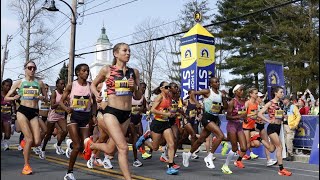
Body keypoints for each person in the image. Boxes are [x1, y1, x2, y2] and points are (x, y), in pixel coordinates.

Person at [89, 42, 142, 180]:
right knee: (123, 148)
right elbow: (93, 85)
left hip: (126, 115)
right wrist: (96, 94)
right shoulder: (107, 70)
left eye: (129, 51)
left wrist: (135, 87)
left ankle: (91, 144)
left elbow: (138, 96)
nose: (128, 53)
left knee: (110, 149)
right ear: (116, 53)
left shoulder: (134, 72)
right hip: (111, 112)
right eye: (125, 50)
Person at [5, 60, 48, 175]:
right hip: (22, 111)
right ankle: (26, 166)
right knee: (30, 139)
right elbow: (6, 97)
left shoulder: (40, 83)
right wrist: (15, 97)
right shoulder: (19, 82)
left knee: (37, 141)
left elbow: (46, 98)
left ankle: (24, 143)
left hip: (34, 112)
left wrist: (42, 97)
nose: (32, 70)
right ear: (25, 69)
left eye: (34, 68)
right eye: (29, 68)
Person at [59, 63, 97, 180]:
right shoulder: (72, 85)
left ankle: (69, 144)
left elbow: (94, 102)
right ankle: (69, 172)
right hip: (74, 116)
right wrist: (66, 109)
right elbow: (61, 101)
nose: (86, 73)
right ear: (78, 73)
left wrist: (94, 115)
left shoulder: (91, 86)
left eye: (87, 70)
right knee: (77, 146)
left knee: (85, 146)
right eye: (84, 71)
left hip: (85, 117)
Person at [182, 77, 228, 169]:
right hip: (206, 117)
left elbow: (225, 107)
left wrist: (224, 98)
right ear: (211, 84)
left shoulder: (220, 94)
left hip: (214, 118)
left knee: (200, 140)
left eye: (218, 82)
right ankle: (209, 157)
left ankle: (188, 154)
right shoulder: (207, 91)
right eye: (216, 82)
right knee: (220, 136)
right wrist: (197, 103)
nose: (218, 83)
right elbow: (192, 93)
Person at [136, 81, 179, 175]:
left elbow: (167, 108)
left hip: (165, 123)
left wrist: (171, 113)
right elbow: (152, 109)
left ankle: (170, 166)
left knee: (171, 144)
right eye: (166, 87)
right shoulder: (159, 97)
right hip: (157, 123)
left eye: (169, 87)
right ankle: (144, 140)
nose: (168, 89)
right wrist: (165, 113)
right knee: (155, 148)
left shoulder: (169, 97)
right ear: (161, 88)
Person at [258, 86, 292, 176]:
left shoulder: (281, 103)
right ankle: (281, 169)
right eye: (281, 92)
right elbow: (259, 113)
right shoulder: (270, 103)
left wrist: (284, 116)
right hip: (272, 127)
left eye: (283, 92)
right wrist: (268, 120)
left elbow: (280, 113)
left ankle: (259, 139)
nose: (282, 94)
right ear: (275, 93)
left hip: (278, 127)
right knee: (279, 147)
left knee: (272, 149)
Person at [220, 84, 247, 174]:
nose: (242, 92)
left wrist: (245, 118)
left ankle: (225, 141)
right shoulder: (232, 102)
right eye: (240, 90)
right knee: (235, 148)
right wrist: (239, 116)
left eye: (243, 90)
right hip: (232, 126)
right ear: (236, 92)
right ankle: (225, 166)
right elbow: (227, 116)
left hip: (239, 126)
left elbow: (243, 113)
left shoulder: (243, 101)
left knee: (244, 148)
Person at [40, 79, 68, 159]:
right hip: (53, 115)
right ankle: (43, 149)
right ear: (57, 85)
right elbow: (52, 106)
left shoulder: (65, 94)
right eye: (61, 84)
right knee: (48, 134)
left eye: (63, 84)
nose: (63, 85)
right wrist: (60, 103)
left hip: (61, 115)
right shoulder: (54, 93)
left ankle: (58, 145)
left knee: (65, 131)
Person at [256, 92, 277, 167]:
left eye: (262, 97)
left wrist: (264, 120)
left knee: (266, 142)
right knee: (250, 142)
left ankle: (268, 160)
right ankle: (239, 153)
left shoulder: (261, 105)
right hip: (255, 125)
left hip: (261, 125)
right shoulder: (253, 104)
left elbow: (261, 115)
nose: (261, 98)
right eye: (260, 97)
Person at [283, 95, 301, 161]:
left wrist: (295, 125)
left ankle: (291, 155)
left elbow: (298, 116)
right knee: (286, 140)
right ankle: (288, 154)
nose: (282, 100)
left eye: (284, 99)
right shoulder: (284, 107)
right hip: (285, 125)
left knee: (289, 140)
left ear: (287, 99)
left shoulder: (293, 106)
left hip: (290, 126)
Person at [1, 78, 14, 151]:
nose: (8, 87)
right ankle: (4, 144)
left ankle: (5, 141)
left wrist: (14, 116)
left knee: (8, 133)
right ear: (2, 86)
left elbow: (14, 106)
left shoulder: (11, 95)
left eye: (9, 86)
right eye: (6, 85)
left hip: (7, 116)